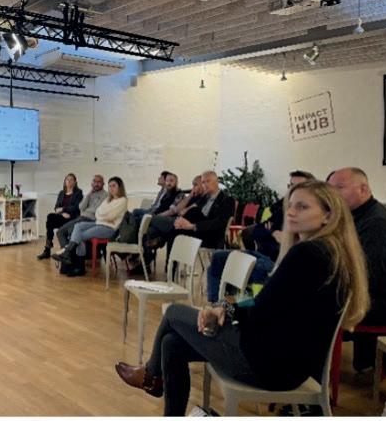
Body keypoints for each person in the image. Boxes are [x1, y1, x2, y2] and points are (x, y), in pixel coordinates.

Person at [115, 180, 369, 416]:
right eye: (290, 205)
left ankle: (151, 375)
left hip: (267, 364)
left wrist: (224, 311)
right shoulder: (328, 252)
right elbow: (263, 294)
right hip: (287, 364)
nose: (291, 212)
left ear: (328, 215)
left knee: (173, 313)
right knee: (172, 344)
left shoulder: (307, 254)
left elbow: (260, 308)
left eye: (302, 207)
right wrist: (224, 306)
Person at [206, 170, 315, 302]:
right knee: (218, 258)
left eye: (298, 186)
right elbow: (257, 230)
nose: (292, 190)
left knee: (247, 268)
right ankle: (216, 304)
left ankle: (238, 305)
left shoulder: (307, 220)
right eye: (290, 185)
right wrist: (274, 233)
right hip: (261, 254)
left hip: (275, 261)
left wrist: (276, 234)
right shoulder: (281, 209)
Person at [328, 167, 386, 371]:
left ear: (363, 189)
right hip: (368, 293)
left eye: (339, 188)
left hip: (382, 303)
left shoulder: (377, 223)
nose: (332, 195)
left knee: (316, 302)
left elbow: (364, 277)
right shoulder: (356, 216)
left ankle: (310, 374)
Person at [141, 171, 234, 273]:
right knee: (175, 233)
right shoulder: (205, 198)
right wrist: (183, 221)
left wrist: (193, 226)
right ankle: (170, 270)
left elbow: (219, 222)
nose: (205, 185)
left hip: (211, 235)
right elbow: (186, 210)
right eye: (203, 182)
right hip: (196, 231)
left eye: (208, 181)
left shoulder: (227, 200)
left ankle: (163, 241)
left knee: (191, 215)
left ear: (217, 181)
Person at [55, 177, 128, 277]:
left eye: (114, 186)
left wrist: (103, 215)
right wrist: (104, 215)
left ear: (120, 187)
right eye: (110, 186)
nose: (111, 188)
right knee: (78, 226)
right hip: (99, 223)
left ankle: (74, 260)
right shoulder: (108, 199)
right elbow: (98, 212)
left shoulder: (122, 200)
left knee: (79, 235)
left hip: (109, 229)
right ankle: (70, 256)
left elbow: (110, 215)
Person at [37, 173, 83, 259]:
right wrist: (62, 213)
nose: (69, 181)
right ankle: (47, 248)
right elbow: (56, 208)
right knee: (50, 217)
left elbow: (76, 207)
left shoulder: (78, 193)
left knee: (50, 221)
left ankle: (48, 249)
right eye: (67, 179)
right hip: (62, 217)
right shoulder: (61, 193)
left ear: (75, 182)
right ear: (65, 181)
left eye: (71, 180)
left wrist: (63, 209)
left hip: (71, 218)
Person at [55, 174, 108, 250]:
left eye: (99, 182)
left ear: (103, 183)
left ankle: (68, 253)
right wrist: (89, 194)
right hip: (82, 217)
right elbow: (81, 207)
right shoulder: (90, 194)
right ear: (92, 183)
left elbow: (96, 210)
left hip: (91, 219)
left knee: (70, 231)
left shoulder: (105, 195)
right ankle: (66, 252)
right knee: (60, 232)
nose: (96, 184)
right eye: (94, 181)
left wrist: (86, 210)